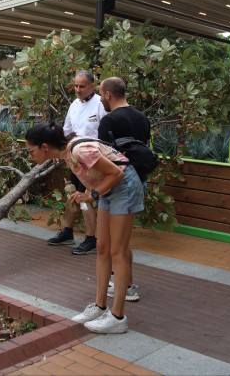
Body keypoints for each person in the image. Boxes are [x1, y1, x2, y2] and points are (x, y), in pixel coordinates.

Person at [25, 122, 144, 334]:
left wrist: (92, 195)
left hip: (124, 188)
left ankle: (117, 317)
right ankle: (99, 307)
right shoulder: (65, 153)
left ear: (44, 146)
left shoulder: (79, 150)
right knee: (102, 248)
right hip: (109, 189)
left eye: (30, 151)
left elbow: (117, 173)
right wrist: (92, 193)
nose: (29, 156)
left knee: (118, 252)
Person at [98, 77, 151, 303]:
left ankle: (125, 287)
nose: (100, 98)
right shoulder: (142, 118)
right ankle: (126, 283)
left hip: (117, 184)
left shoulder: (109, 120)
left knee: (114, 245)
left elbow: (103, 158)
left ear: (108, 95)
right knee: (123, 241)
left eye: (101, 94)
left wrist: (97, 188)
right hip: (139, 179)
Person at [48, 70, 107, 255]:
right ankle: (67, 232)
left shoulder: (100, 104)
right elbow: (66, 132)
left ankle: (91, 239)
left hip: (93, 160)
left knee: (84, 197)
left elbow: (106, 134)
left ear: (92, 86)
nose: (78, 89)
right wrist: (58, 150)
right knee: (72, 194)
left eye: (82, 86)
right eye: (75, 86)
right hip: (75, 158)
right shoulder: (74, 104)